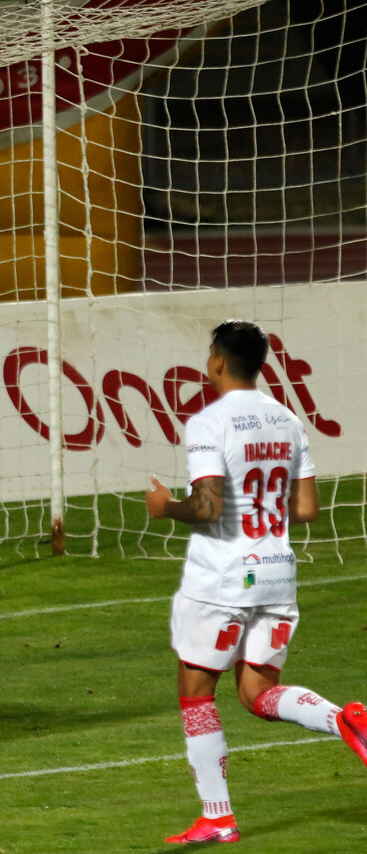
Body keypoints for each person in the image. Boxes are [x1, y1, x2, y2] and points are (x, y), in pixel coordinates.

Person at [146, 319, 367, 844]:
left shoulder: (209, 422)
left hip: (222, 578)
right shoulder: (288, 420)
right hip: (276, 573)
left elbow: (206, 507)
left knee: (196, 695)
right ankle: (347, 719)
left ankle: (218, 816)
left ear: (218, 361)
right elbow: (308, 507)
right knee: (256, 692)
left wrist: (164, 507)